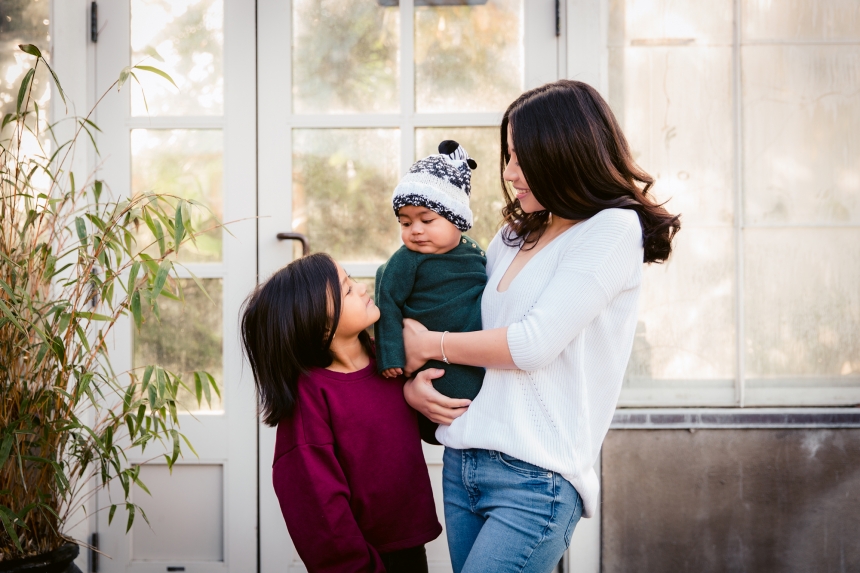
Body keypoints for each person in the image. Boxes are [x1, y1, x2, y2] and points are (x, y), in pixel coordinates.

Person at [400, 80, 681, 573]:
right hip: (464, 460)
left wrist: (430, 345)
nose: (508, 173)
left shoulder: (611, 230)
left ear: (565, 153)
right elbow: (466, 321)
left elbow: (532, 344)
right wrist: (412, 384)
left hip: (536, 477)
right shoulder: (512, 236)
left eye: (520, 157)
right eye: (507, 156)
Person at [240, 253, 442, 573]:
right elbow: (316, 503)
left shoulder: (390, 361)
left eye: (350, 280)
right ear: (318, 325)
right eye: (347, 289)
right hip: (361, 560)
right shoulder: (311, 398)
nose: (361, 288)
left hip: (409, 547)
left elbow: (434, 431)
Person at [375, 139, 487, 444]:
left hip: (469, 349)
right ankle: (430, 427)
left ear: (457, 220)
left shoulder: (475, 252)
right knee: (439, 402)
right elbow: (386, 301)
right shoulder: (406, 259)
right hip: (428, 359)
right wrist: (391, 356)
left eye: (427, 220)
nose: (415, 230)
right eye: (406, 222)